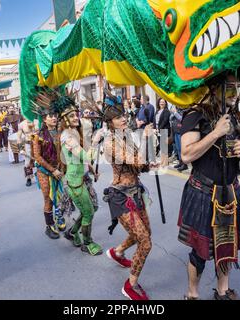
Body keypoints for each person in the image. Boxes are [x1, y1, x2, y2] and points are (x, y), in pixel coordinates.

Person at [178, 74, 240, 300]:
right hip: (202, 191)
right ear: (214, 89)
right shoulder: (196, 114)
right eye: (229, 88)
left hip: (231, 192)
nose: (234, 94)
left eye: (237, 87)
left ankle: (222, 292)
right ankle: (192, 294)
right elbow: (186, 155)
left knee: (227, 245)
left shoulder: (239, 118)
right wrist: (215, 132)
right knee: (200, 251)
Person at [101, 95, 157, 300]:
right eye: (118, 117)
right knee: (146, 242)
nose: (123, 119)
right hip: (121, 198)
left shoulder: (126, 137)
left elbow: (141, 165)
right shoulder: (110, 144)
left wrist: (152, 163)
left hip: (136, 193)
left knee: (145, 234)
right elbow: (137, 160)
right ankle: (130, 285)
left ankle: (117, 252)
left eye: (123, 115)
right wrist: (146, 139)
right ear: (110, 122)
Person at [58, 91, 102, 256]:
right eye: (71, 116)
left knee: (90, 209)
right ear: (64, 119)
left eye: (76, 114)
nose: (76, 117)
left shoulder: (75, 133)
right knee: (89, 212)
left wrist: (91, 170)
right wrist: (96, 141)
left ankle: (72, 232)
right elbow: (86, 155)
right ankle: (87, 243)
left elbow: (84, 160)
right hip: (75, 182)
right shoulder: (67, 138)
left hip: (83, 178)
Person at [32, 108, 65, 239]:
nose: (53, 118)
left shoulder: (61, 132)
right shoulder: (38, 135)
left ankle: (59, 217)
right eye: (50, 116)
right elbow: (38, 157)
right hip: (44, 171)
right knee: (48, 198)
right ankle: (49, 225)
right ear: (44, 119)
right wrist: (52, 170)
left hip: (58, 168)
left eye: (55, 115)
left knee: (59, 195)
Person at [18, 119, 35, 187]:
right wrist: (20, 148)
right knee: (27, 162)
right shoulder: (22, 124)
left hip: (38, 143)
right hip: (28, 144)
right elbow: (18, 137)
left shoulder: (37, 121)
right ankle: (28, 179)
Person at [170, 106, 187, 171]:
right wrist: (173, 113)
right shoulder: (176, 110)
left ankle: (184, 164)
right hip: (175, 131)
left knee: (182, 149)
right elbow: (171, 118)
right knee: (178, 148)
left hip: (181, 132)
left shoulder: (184, 110)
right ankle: (180, 162)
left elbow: (182, 119)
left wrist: (174, 112)